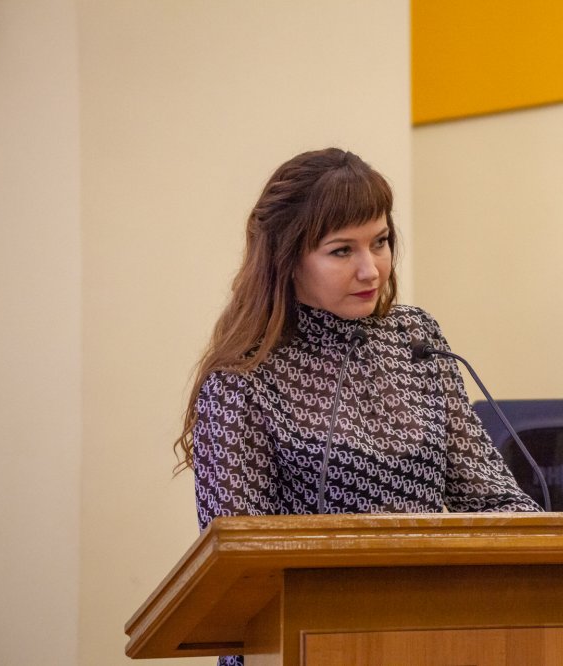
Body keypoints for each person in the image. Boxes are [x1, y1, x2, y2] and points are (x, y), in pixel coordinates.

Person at [172, 148, 540, 665]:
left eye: (381, 242)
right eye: (342, 250)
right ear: (286, 259)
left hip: (428, 641)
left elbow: (493, 500)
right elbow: (240, 573)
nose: (371, 270)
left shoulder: (415, 339)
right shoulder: (242, 381)